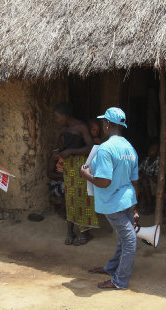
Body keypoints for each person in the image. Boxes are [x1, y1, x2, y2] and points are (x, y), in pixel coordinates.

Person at [80, 107, 139, 290]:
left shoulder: (106, 149)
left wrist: (85, 174)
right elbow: (135, 181)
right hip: (127, 200)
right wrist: (135, 208)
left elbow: (104, 182)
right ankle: (111, 268)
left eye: (103, 122)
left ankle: (119, 281)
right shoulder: (130, 148)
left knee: (129, 240)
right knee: (124, 238)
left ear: (107, 124)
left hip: (113, 203)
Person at [53, 102, 99, 246]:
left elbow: (91, 147)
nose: (56, 120)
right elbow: (67, 147)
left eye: (57, 117)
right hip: (69, 167)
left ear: (65, 115)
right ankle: (70, 231)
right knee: (70, 198)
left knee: (81, 198)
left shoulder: (81, 127)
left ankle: (86, 233)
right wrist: (60, 153)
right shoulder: (65, 128)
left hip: (80, 167)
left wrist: (70, 152)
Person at [138, 141, 159, 214]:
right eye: (150, 149)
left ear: (158, 152)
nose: (151, 151)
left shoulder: (158, 161)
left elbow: (156, 178)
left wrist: (145, 176)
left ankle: (149, 205)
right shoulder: (146, 160)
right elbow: (138, 170)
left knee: (144, 181)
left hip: (155, 184)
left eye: (154, 149)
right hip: (145, 182)